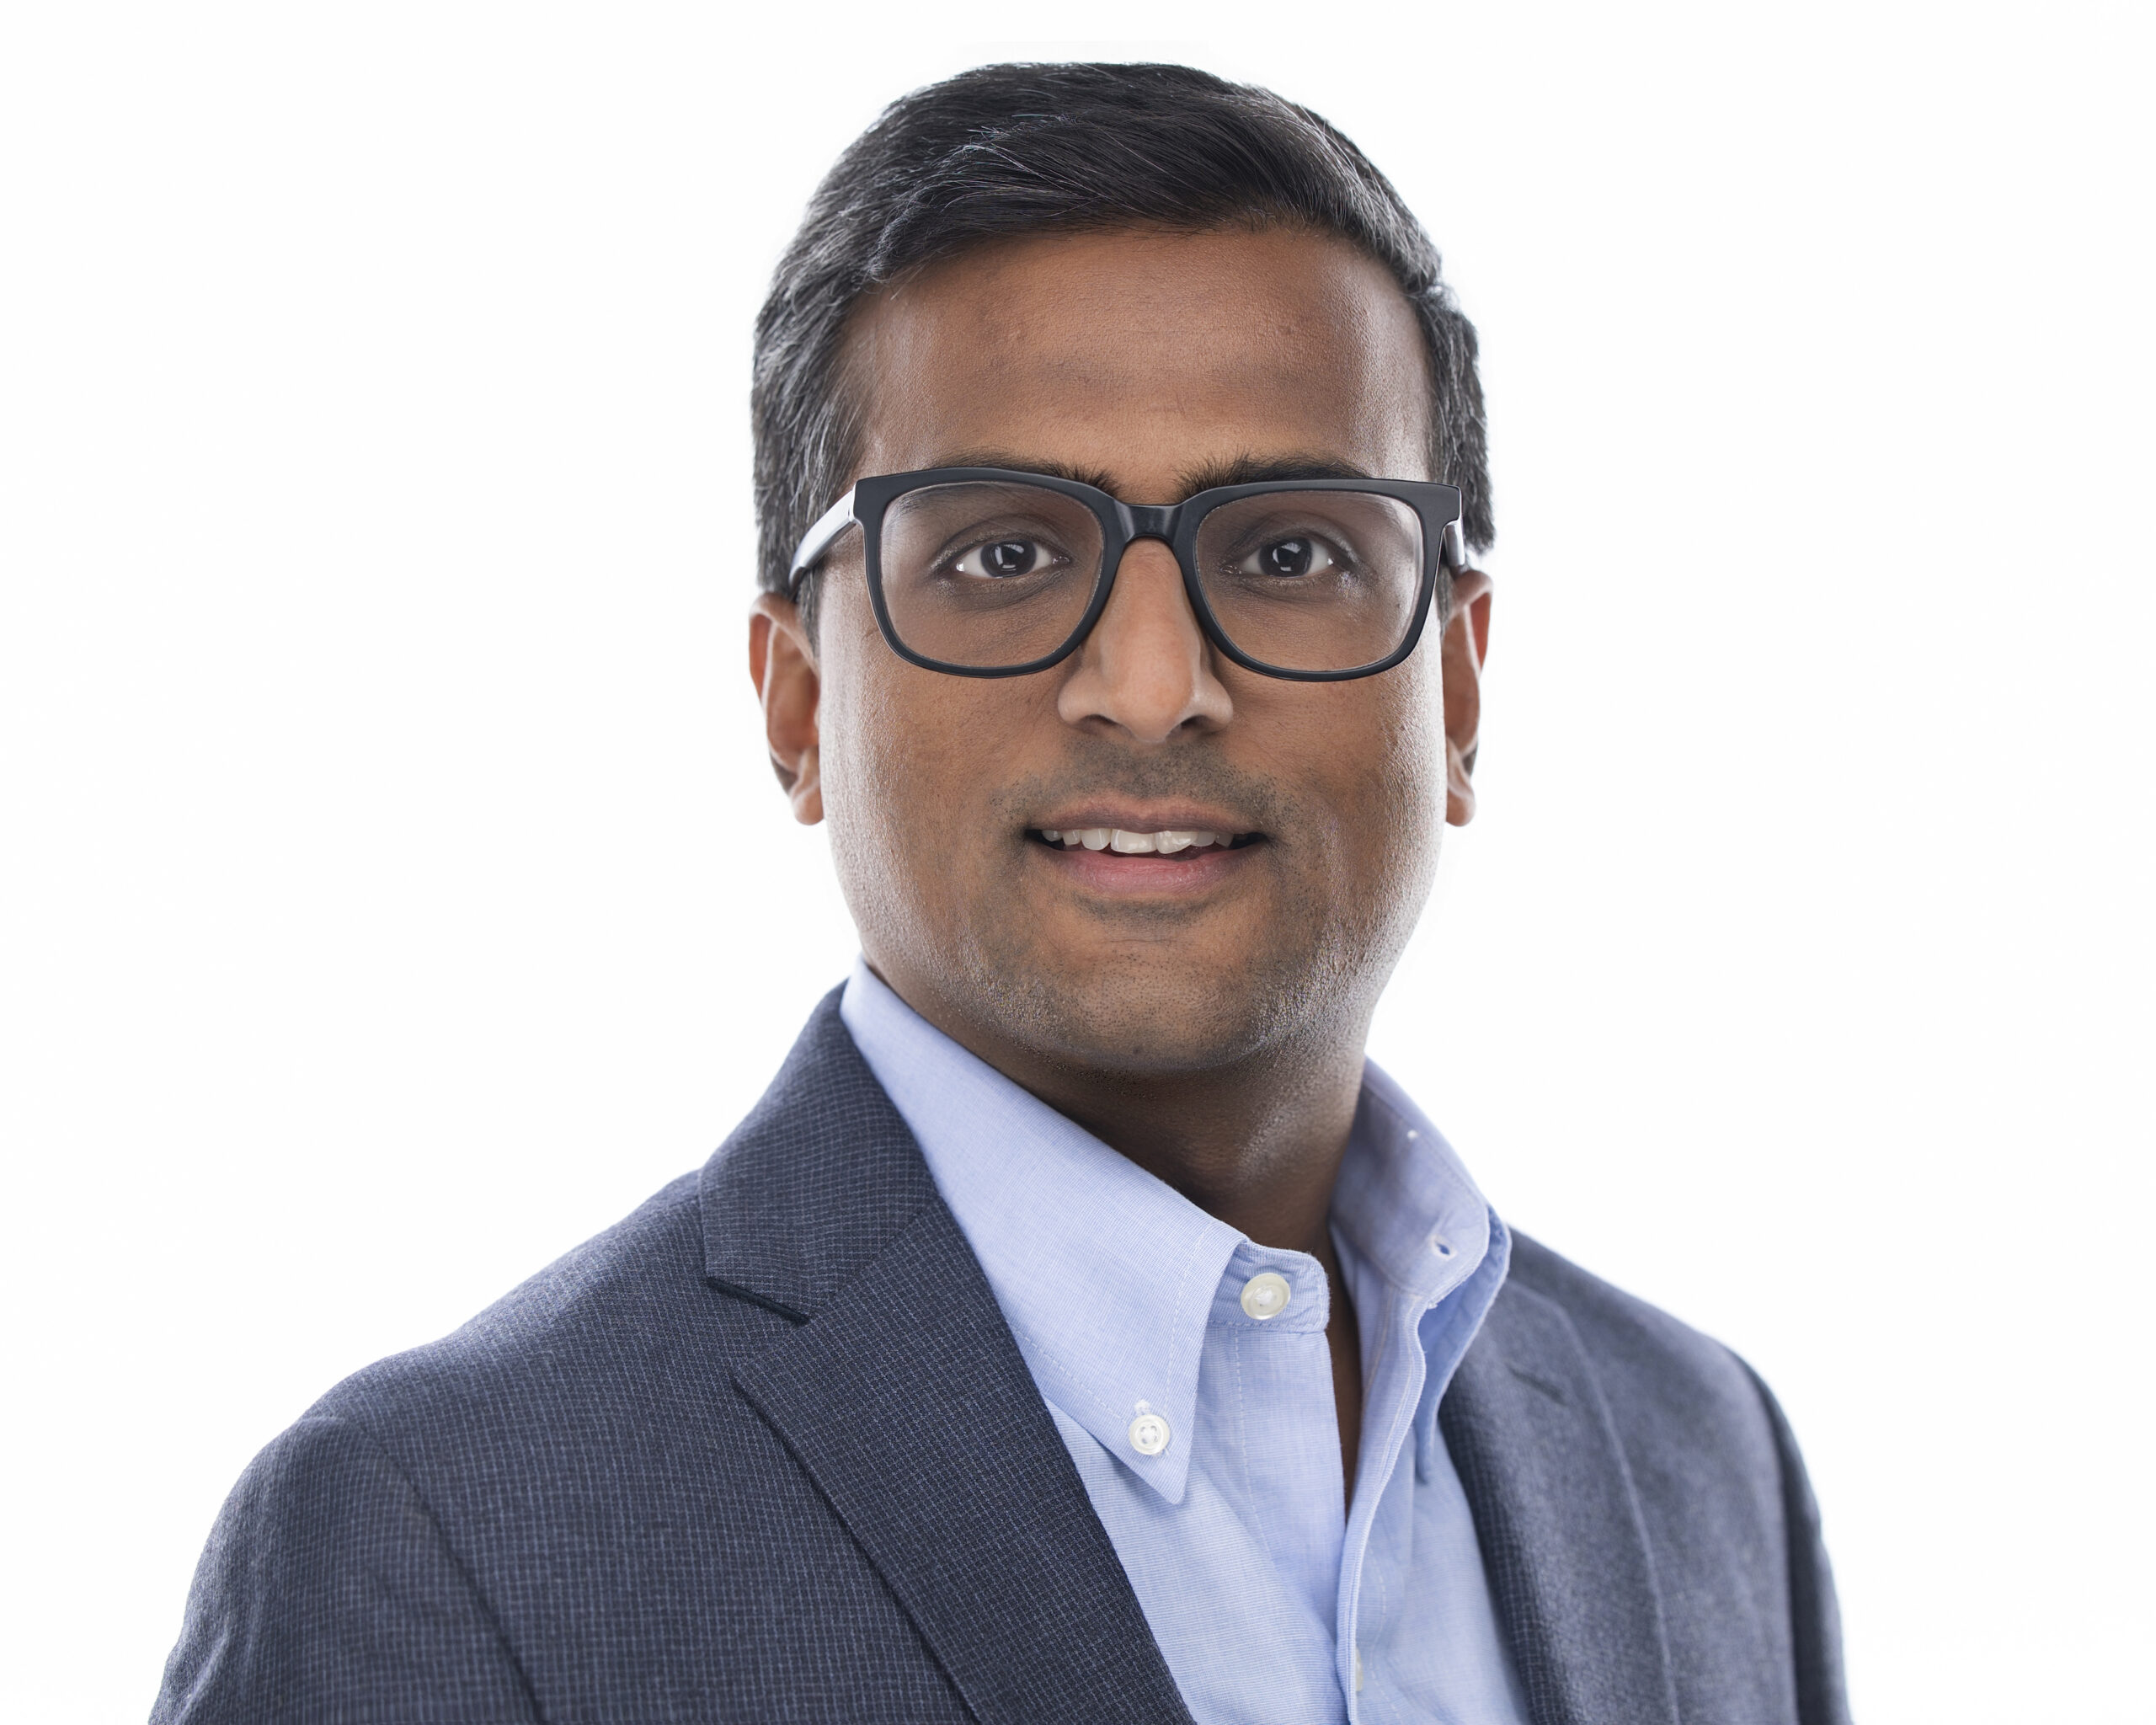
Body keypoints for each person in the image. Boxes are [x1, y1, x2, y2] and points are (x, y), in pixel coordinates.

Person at [152, 61, 1848, 1725]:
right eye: (1002, 554)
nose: (1151, 685)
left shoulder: (1698, 1460)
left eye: (1290, 551)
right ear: (796, 701)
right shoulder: (450, 1535)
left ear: (1456, 691)